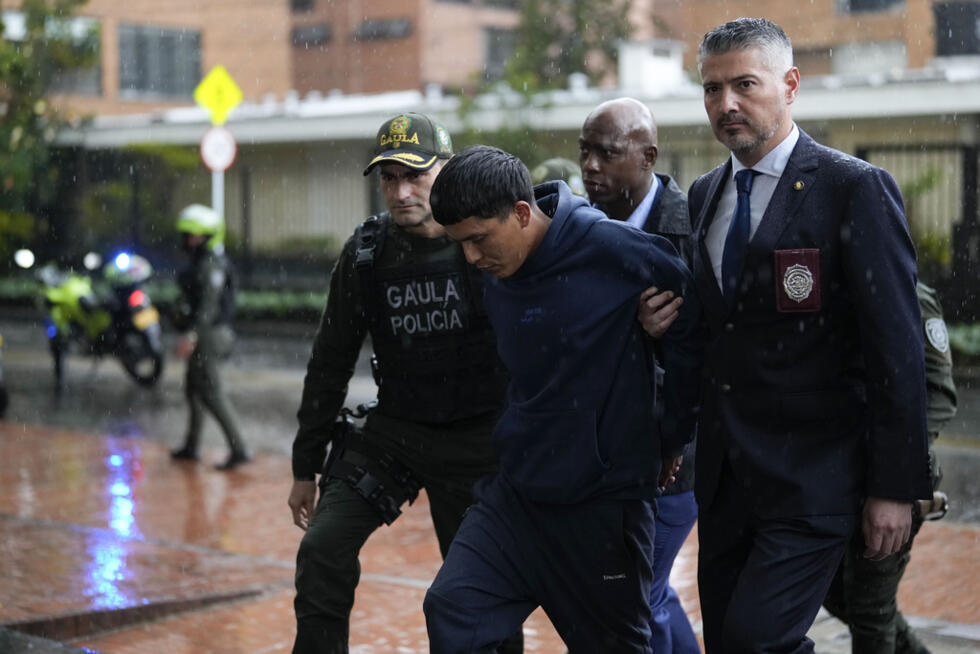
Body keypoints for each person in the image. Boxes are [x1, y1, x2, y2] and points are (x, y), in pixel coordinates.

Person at [642, 18, 932, 652]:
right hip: (727, 482)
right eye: (712, 89)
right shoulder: (705, 193)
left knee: (755, 641)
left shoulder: (852, 189)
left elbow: (897, 351)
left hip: (814, 479)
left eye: (745, 84)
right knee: (730, 642)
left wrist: (895, 487)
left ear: (791, 85)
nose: (726, 104)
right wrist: (671, 437)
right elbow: (705, 338)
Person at [422, 145, 702, 652]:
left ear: (521, 213)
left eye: (478, 239)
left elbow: (693, 328)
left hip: (602, 505)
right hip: (517, 496)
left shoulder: (612, 248)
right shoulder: (488, 266)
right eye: (459, 243)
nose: (470, 257)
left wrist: (670, 438)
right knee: (454, 607)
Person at [286, 114, 521, 653]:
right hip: (396, 434)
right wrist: (305, 466)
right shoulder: (367, 253)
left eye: (415, 175)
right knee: (322, 548)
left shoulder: (488, 240)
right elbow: (329, 363)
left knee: (482, 592)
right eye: (389, 178)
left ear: (447, 169)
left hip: (479, 442)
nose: (401, 192)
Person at [579, 96, 700, 653]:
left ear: (648, 156)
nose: (590, 166)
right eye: (584, 151)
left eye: (606, 153)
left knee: (634, 597)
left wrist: (674, 441)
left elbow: (702, 350)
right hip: (606, 451)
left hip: (672, 460)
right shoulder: (579, 227)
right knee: (650, 594)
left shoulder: (690, 228)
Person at [823, 281, 957, 654]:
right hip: (838, 472)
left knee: (870, 611)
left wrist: (895, 462)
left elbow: (941, 395)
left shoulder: (911, 292)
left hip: (893, 478)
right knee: (839, 596)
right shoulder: (841, 282)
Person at [170, 204, 251, 471]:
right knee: (193, 389)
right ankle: (191, 445)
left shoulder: (211, 265)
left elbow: (208, 306)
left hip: (210, 335)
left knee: (212, 392)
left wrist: (192, 335)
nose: (188, 240)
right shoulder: (201, 262)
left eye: (193, 235)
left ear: (207, 236)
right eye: (187, 234)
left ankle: (239, 449)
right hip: (205, 333)